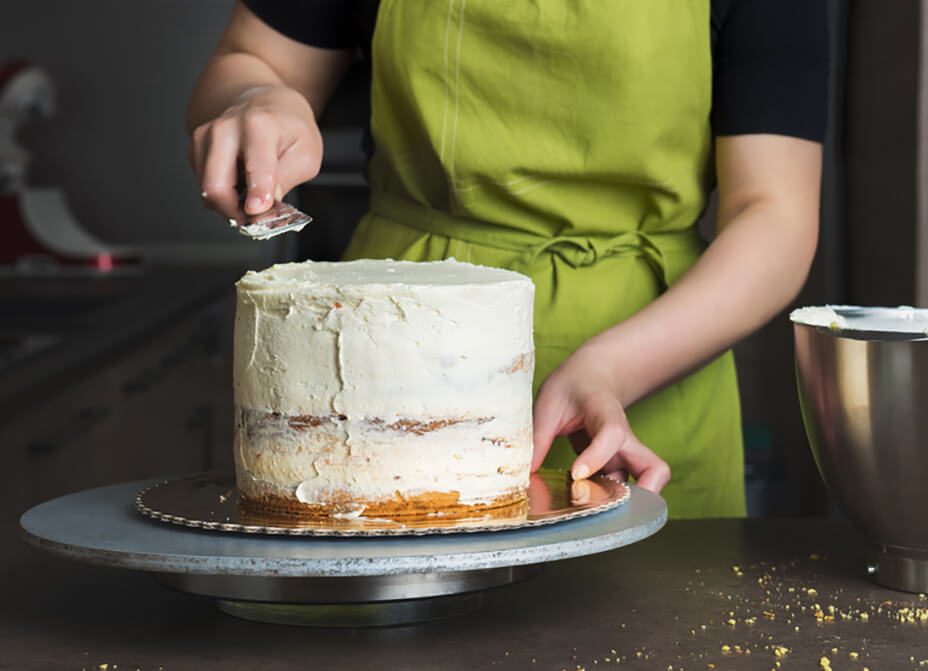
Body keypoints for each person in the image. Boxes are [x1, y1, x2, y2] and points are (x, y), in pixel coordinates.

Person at [187, 0, 828, 519]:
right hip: (383, 355)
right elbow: (254, 58)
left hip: (649, 371)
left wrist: (612, 370)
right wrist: (256, 98)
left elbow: (775, 214)